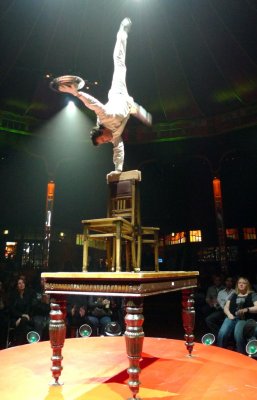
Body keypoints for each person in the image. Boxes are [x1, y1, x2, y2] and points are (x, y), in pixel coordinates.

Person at [58, 18, 152, 176]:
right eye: (103, 143)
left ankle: (122, 30)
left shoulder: (104, 117)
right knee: (144, 117)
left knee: (119, 61)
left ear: (101, 132)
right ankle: (141, 112)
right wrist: (118, 170)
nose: (106, 141)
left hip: (118, 92)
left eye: (102, 140)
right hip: (129, 106)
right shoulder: (114, 136)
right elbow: (118, 148)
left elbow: (93, 104)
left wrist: (76, 93)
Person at [217, 277, 257, 354]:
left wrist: (246, 309)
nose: (241, 284)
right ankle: (220, 352)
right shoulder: (233, 294)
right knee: (222, 333)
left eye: (243, 283)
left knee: (238, 335)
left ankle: (241, 354)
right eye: (239, 283)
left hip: (244, 319)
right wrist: (229, 314)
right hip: (232, 317)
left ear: (247, 285)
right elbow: (226, 307)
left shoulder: (252, 294)